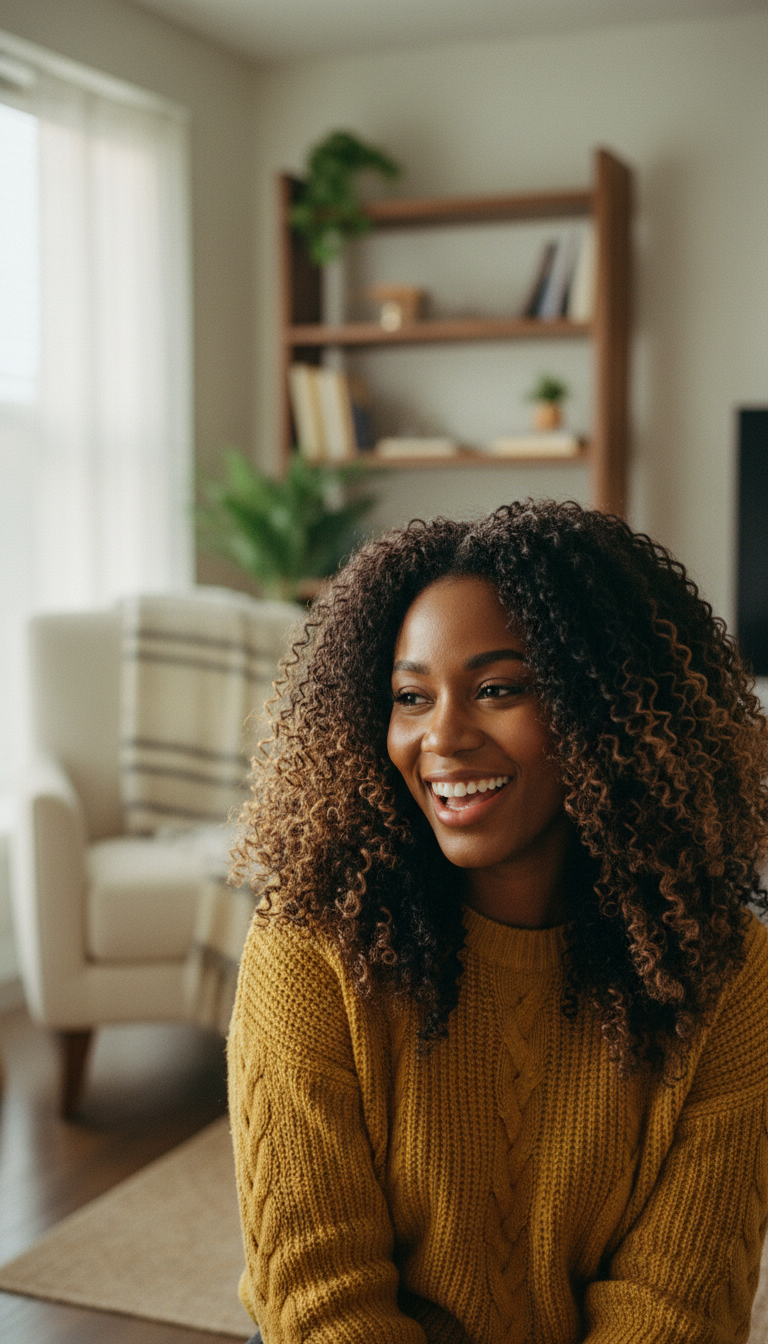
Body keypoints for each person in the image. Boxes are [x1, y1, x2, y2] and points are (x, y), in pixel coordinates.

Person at [227, 499, 768, 1344]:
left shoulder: (727, 966)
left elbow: (677, 1307)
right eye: (411, 696)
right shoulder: (311, 941)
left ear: (606, 711)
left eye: (498, 689)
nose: (442, 736)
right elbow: (321, 1297)